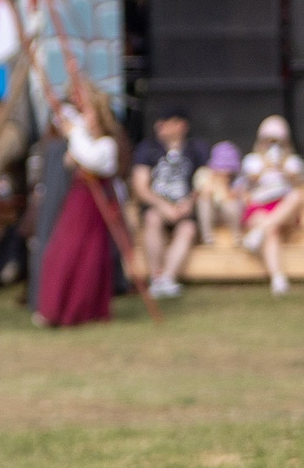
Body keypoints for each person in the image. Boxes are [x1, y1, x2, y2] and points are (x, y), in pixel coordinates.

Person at [34, 82, 126, 327]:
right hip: (78, 201)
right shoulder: (85, 137)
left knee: (88, 256)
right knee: (61, 253)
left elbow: (93, 159)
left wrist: (75, 133)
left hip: (93, 205)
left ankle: (81, 309)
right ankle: (55, 308)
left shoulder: (108, 144)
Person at [131, 108, 202, 299]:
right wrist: (163, 205)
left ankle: (168, 278)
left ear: (181, 125)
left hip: (185, 208)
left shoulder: (196, 148)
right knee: (152, 218)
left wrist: (189, 203)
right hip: (157, 206)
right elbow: (140, 185)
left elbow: (206, 180)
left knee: (188, 229)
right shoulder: (148, 148)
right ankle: (156, 277)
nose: (159, 125)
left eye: (165, 121)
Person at [239, 114, 304, 295]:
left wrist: (281, 165)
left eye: (277, 141)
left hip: (283, 206)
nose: (272, 145)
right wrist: (266, 164)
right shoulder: (252, 159)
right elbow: (250, 180)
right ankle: (278, 279)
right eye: (269, 141)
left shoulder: (291, 161)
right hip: (259, 205)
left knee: (297, 195)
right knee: (272, 232)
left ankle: (258, 233)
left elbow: (296, 180)